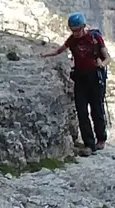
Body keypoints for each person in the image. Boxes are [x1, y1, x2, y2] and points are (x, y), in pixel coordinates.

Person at [44, 12, 110, 152]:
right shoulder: (72, 40)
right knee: (81, 110)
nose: (75, 33)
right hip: (80, 77)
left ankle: (101, 138)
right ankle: (89, 144)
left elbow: (107, 57)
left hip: (95, 76)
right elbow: (60, 50)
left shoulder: (95, 38)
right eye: (72, 30)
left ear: (83, 27)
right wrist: (44, 54)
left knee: (96, 108)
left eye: (77, 30)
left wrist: (102, 64)